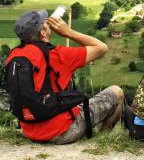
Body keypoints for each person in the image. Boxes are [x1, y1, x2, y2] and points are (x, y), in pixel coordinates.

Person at [7, 9, 124, 144]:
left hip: (28, 130)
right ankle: (101, 139)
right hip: (60, 132)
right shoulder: (59, 55)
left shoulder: (14, 56)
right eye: (45, 23)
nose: (48, 22)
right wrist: (68, 32)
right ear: (43, 32)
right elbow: (102, 47)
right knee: (117, 92)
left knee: (74, 100)